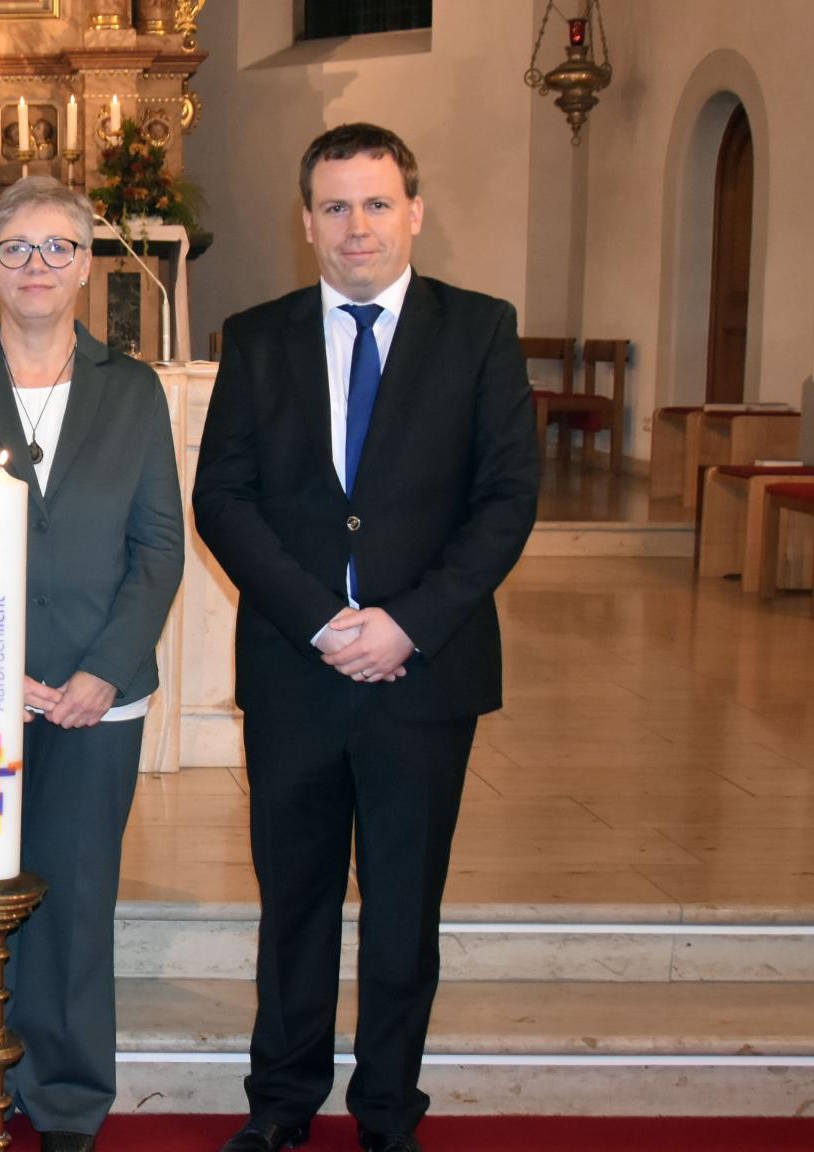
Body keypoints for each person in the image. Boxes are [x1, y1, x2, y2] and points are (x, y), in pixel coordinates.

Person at [191, 124, 539, 1152]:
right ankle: (280, 1103)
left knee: (400, 908)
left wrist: (408, 624)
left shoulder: (478, 331)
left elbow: (506, 497)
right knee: (290, 903)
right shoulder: (254, 337)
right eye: (334, 206)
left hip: (421, 677)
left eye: (376, 203)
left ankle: (387, 1107)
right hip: (295, 673)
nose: (355, 226)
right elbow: (224, 497)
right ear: (304, 223)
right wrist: (315, 619)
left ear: (414, 213)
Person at [0, 176, 185, 1152]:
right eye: (14, 248)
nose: (36, 268)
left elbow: (157, 547)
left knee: (78, 899)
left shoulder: (132, 390)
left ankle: (65, 1104)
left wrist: (106, 668)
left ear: (87, 267)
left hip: (98, 698)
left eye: (57, 248)